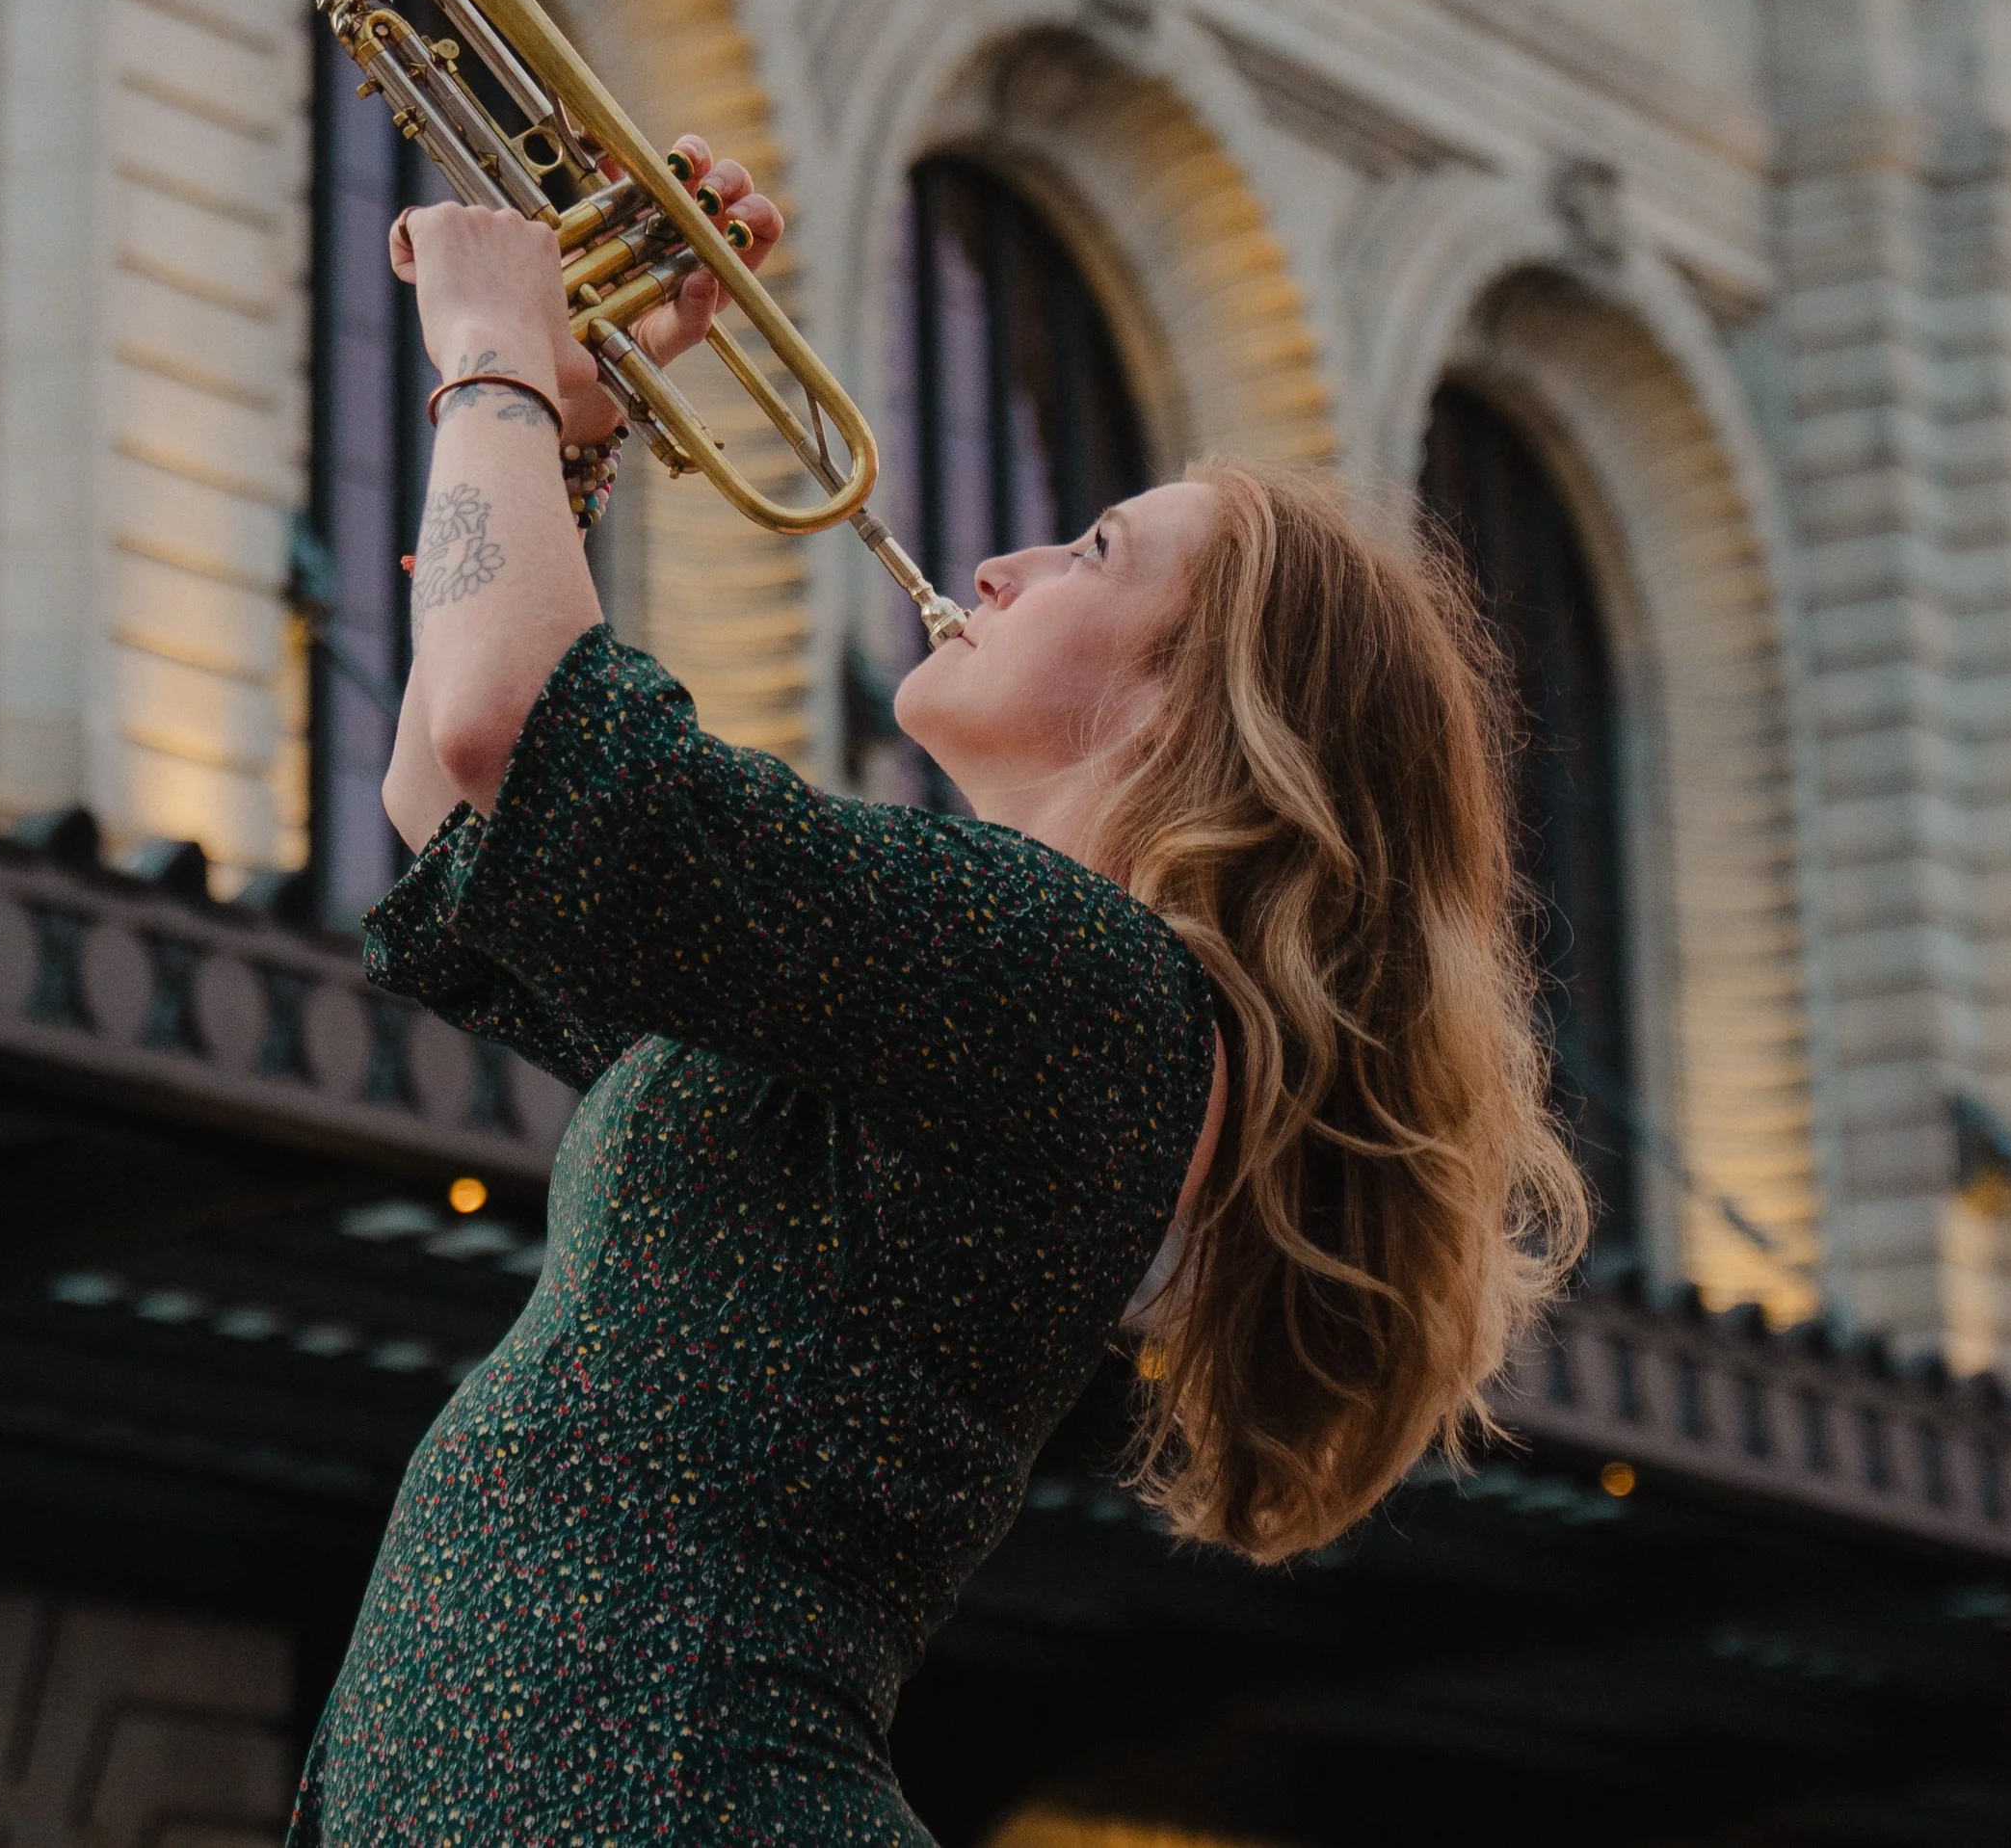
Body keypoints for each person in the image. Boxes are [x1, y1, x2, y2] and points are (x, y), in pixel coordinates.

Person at [293, 143, 1588, 1846]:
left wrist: (493, 350)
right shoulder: (987, 986)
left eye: (1095, 549)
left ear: (1199, 704)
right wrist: (568, 432)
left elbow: (510, 736)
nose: (1007, 562)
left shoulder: (1079, 979)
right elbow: (468, 812)